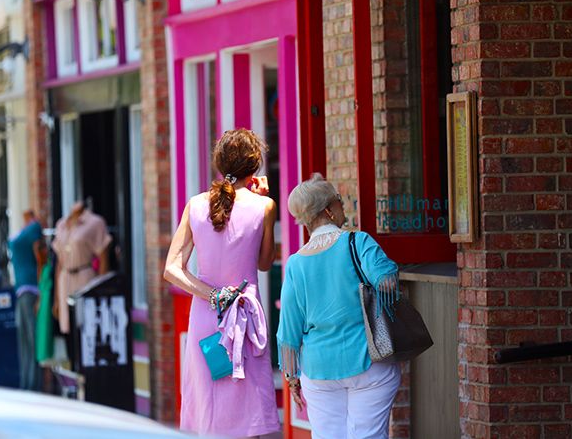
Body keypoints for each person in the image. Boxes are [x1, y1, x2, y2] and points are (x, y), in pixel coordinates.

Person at [164, 129, 281, 438]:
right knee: (246, 412)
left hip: (206, 318)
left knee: (208, 411)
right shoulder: (263, 207)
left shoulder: (196, 204)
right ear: (254, 167)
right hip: (246, 320)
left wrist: (213, 294)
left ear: (219, 163)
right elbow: (265, 262)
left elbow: (172, 269)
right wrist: (264, 201)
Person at [277, 173, 401, 439]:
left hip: (319, 370)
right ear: (328, 211)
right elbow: (388, 283)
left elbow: (288, 329)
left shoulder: (296, 264)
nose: (343, 205)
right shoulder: (359, 243)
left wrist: (291, 376)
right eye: (338, 201)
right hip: (370, 360)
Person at [52, 201, 111, 338]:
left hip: (84, 276)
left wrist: (101, 291)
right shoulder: (61, 224)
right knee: (67, 327)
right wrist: (56, 298)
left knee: (86, 325)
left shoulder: (95, 223)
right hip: (65, 278)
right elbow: (59, 263)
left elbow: (103, 257)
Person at [8, 209, 45, 390]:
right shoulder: (24, 229)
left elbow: (40, 259)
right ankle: (26, 386)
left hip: (31, 290)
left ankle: (34, 387)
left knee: (32, 342)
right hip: (20, 291)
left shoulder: (34, 228)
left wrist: (41, 291)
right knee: (23, 341)